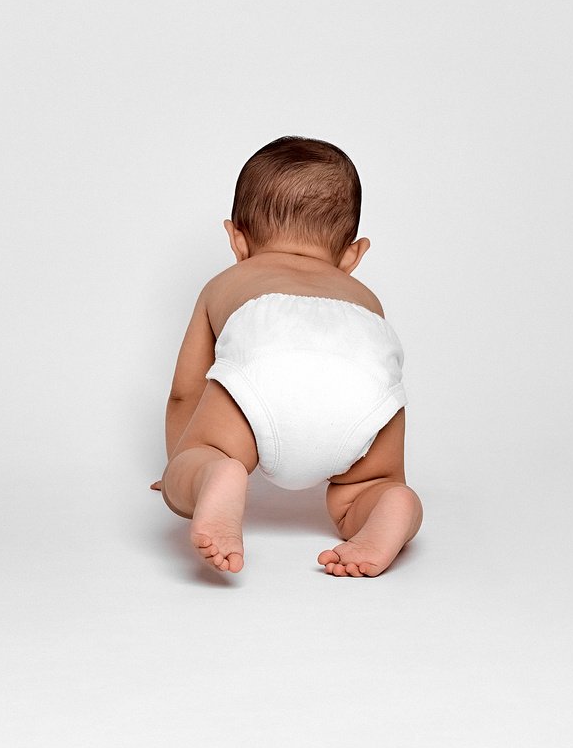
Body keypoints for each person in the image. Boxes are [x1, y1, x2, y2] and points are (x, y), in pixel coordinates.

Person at [153, 135, 423, 577]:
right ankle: (390, 501)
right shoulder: (364, 297)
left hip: (267, 356)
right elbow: (384, 371)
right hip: (363, 376)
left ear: (236, 239)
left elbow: (186, 392)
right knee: (368, 486)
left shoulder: (227, 282)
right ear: (353, 255)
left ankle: (214, 477)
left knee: (204, 457)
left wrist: (185, 461)